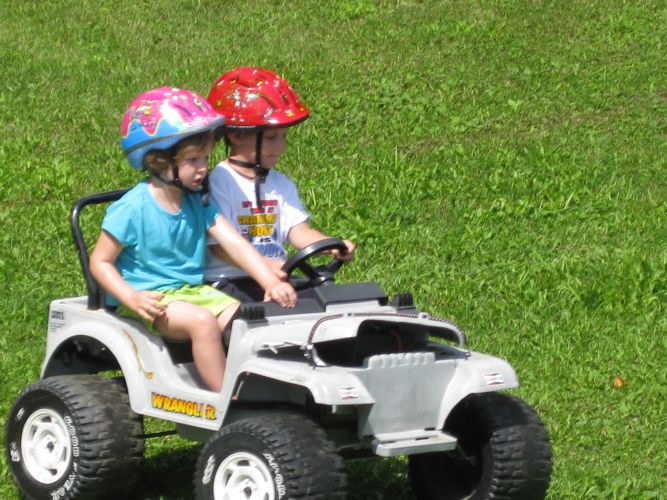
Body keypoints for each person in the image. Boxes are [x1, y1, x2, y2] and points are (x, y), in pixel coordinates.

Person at [90, 87, 297, 392]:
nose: (203, 168)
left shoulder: (197, 201)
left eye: (206, 158)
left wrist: (269, 282)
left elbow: (234, 243)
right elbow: (100, 261)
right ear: (158, 160)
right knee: (203, 322)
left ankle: (261, 386)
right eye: (192, 160)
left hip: (190, 291)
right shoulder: (132, 209)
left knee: (244, 320)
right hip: (150, 298)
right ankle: (225, 398)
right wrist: (131, 297)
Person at [204, 67, 355, 301]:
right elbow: (220, 246)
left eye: (283, 137)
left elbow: (299, 231)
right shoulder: (219, 182)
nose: (281, 147)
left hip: (277, 276)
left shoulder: (281, 183)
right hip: (229, 281)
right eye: (272, 137)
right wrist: (264, 265)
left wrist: (329, 245)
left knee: (330, 301)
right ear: (236, 136)